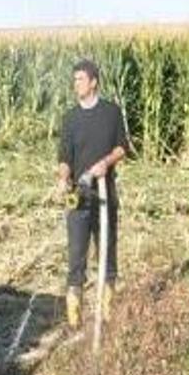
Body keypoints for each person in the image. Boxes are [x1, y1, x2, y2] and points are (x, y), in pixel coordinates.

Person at [55, 60, 130, 328]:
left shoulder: (111, 113)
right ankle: (74, 315)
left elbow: (122, 148)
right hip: (79, 198)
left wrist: (105, 164)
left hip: (105, 196)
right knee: (76, 256)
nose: (76, 84)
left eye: (80, 79)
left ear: (94, 82)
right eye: (74, 79)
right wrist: (63, 178)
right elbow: (64, 157)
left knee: (107, 252)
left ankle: (107, 311)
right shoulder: (71, 118)